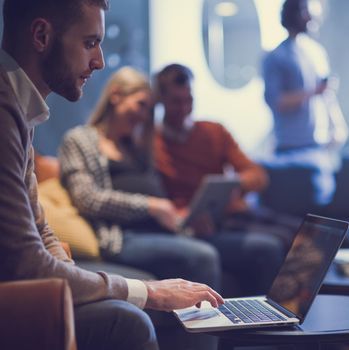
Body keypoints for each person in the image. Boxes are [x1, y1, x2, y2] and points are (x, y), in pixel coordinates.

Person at [0, 1, 223, 350]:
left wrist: (67, 271)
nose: (99, 61)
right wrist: (149, 291)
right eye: (90, 43)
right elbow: (26, 261)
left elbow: (39, 226)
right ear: (41, 35)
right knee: (128, 321)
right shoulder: (6, 113)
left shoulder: (22, 113)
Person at [59, 66, 221, 289]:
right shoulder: (79, 140)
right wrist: (150, 206)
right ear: (116, 96)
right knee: (204, 256)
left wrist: (184, 220)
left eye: (149, 110)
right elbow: (87, 198)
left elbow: (158, 194)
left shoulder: (137, 147)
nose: (144, 116)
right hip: (122, 237)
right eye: (140, 105)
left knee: (241, 247)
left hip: (160, 230)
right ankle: (214, 324)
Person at [153, 63, 286, 296]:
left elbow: (257, 175)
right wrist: (184, 216)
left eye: (189, 100)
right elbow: (155, 198)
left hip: (236, 216)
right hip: (200, 228)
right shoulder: (152, 144)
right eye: (176, 102)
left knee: (305, 240)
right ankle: (267, 322)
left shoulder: (213, 132)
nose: (184, 108)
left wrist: (235, 185)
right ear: (161, 100)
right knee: (271, 247)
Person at [262, 0, 348, 206]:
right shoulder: (276, 57)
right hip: (290, 150)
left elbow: (327, 95)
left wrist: (338, 125)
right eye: (304, 12)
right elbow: (276, 101)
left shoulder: (317, 52)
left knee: (324, 211)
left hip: (320, 148)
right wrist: (312, 92)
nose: (311, 17)